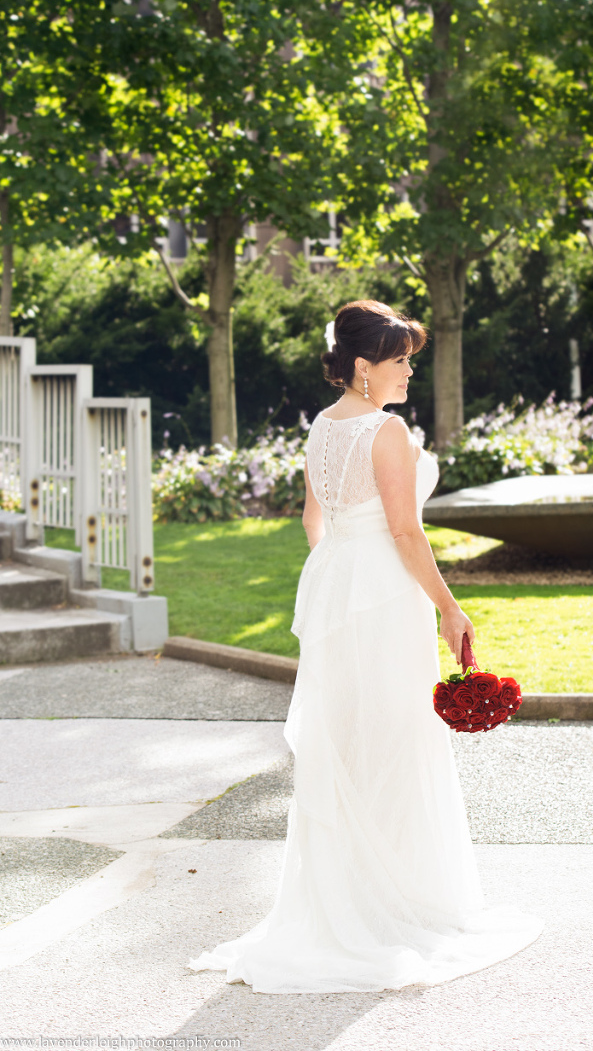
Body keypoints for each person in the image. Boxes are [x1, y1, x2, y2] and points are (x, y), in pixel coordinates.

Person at [189, 299, 542, 992]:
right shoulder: (386, 432)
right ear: (361, 367)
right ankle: (396, 904)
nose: (410, 371)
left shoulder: (322, 428)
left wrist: (340, 578)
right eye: (400, 359)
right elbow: (406, 533)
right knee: (397, 739)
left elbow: (313, 518)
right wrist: (448, 605)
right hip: (384, 593)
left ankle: (347, 899)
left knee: (348, 740)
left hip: (338, 589)